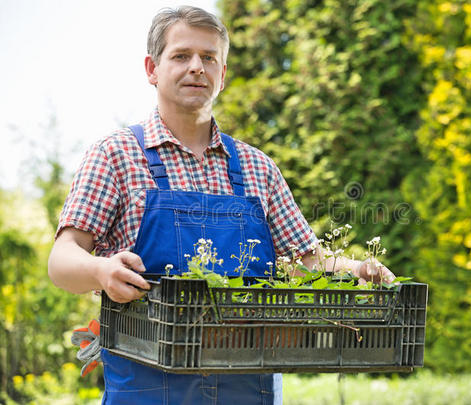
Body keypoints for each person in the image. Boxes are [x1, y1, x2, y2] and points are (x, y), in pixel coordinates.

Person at [48, 5, 394, 404]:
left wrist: (356, 269)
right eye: (181, 56)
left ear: (223, 74)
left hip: (248, 389)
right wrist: (100, 270)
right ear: (152, 69)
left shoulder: (256, 167)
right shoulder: (116, 155)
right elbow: (62, 260)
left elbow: (306, 262)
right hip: (147, 389)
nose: (197, 67)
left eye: (209, 58)